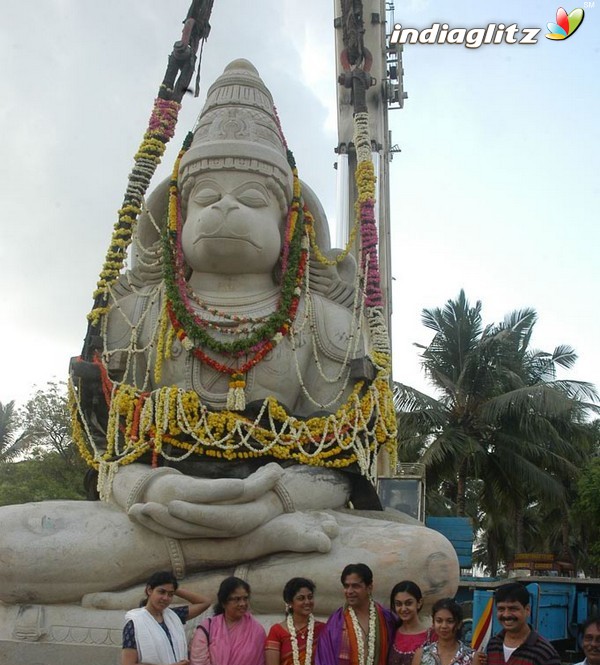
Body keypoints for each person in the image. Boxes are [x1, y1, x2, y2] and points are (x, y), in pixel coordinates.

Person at [0, 60, 458, 614]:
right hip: (154, 511)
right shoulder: (136, 315)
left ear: (290, 222)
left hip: (286, 510)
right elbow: (110, 452)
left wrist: (266, 505)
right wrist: (145, 490)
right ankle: (239, 564)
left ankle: (171, 585)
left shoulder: (325, 323)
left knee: (428, 562)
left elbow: (339, 465)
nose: (225, 207)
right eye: (207, 196)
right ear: (178, 213)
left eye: (251, 198)